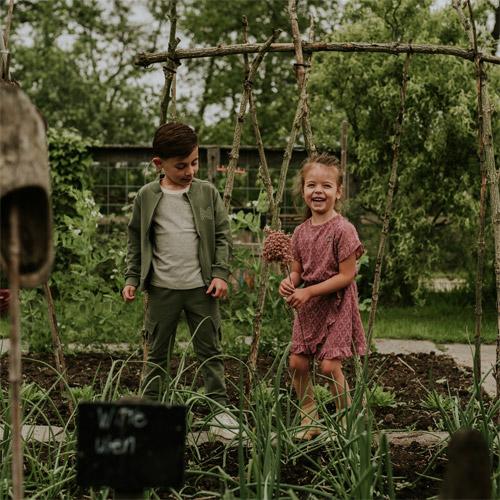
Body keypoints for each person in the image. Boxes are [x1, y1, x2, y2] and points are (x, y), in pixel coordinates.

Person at [122, 122, 238, 436]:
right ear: (159, 164)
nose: (190, 171)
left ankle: (220, 412)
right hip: (162, 290)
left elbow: (223, 236)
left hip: (202, 289)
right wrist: (132, 277)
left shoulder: (207, 193)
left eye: (194, 162)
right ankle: (151, 412)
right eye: (181, 166)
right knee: (157, 353)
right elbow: (136, 240)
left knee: (210, 351)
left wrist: (220, 273)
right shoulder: (146, 196)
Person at [279, 152, 367, 439]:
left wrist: (308, 291)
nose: (318, 191)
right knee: (297, 363)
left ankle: (347, 419)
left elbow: (346, 276)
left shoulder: (344, 230)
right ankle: (309, 416)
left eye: (326, 186)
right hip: (308, 305)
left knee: (329, 367)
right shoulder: (299, 233)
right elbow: (297, 271)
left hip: (337, 304)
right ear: (303, 189)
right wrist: (289, 283)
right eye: (311, 185)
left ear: (338, 192)